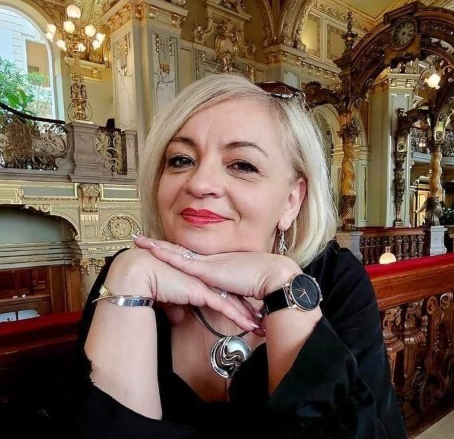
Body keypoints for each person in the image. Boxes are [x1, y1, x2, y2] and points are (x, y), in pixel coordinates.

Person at [71, 73, 408, 438]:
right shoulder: (127, 278)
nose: (199, 183)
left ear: (291, 200)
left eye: (242, 165)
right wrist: (130, 282)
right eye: (181, 160)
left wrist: (284, 287)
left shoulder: (336, 279)